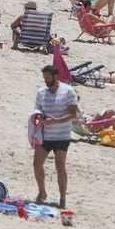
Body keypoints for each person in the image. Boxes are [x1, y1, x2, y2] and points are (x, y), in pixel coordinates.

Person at [33, 64, 78, 209]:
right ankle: (42, 192)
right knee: (37, 164)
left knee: (60, 166)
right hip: (45, 135)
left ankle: (62, 198)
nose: (46, 80)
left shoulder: (68, 91)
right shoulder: (41, 92)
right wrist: (38, 117)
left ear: (55, 76)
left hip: (62, 136)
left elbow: (73, 114)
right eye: (44, 78)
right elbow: (37, 110)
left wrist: (56, 121)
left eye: (48, 77)